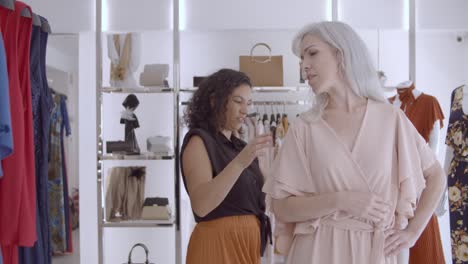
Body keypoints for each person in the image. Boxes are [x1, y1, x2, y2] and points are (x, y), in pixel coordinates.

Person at [263, 21, 446, 264]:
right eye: (301, 58)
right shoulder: (304, 127)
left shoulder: (390, 119)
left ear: (341, 54)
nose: (304, 65)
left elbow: (436, 175)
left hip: (373, 250)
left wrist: (412, 233)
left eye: (312, 53)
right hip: (316, 251)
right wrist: (341, 200)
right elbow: (281, 207)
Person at [181, 69, 272, 264]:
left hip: (247, 247)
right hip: (217, 246)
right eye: (238, 101)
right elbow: (201, 205)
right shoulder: (199, 141)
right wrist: (240, 163)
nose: (245, 111)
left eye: (248, 103)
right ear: (215, 101)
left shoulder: (240, 147)